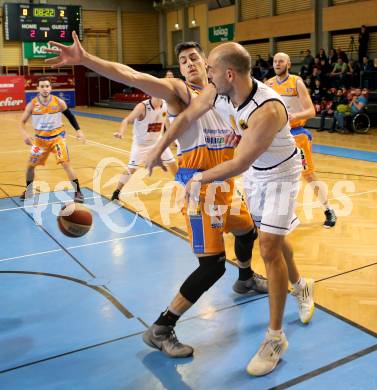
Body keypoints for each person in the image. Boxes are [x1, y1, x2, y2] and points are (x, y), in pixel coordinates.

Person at [45, 33, 268, 357]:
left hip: (224, 191)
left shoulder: (224, 97)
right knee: (213, 267)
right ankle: (162, 328)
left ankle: (245, 279)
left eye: (194, 58)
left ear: (208, 64)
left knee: (248, 230)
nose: (189, 64)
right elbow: (135, 76)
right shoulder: (181, 94)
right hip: (201, 196)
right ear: (179, 70)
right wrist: (87, 60)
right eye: (183, 61)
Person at [146, 42, 315, 376]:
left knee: (266, 246)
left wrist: (195, 178)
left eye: (206, 65)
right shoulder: (214, 91)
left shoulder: (267, 108)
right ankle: (294, 283)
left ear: (229, 73)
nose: (203, 70)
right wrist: (158, 149)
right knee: (270, 240)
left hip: (278, 174)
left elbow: (238, 163)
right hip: (248, 178)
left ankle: (275, 337)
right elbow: (185, 116)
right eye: (192, 62)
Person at [266, 52, 337, 228]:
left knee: (308, 174)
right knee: (274, 175)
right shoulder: (268, 84)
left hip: (297, 134)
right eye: (275, 61)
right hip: (276, 135)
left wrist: (294, 116)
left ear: (288, 63)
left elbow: (311, 111)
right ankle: (276, 215)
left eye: (281, 61)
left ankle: (328, 209)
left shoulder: (296, 82)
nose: (277, 63)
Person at [20, 77, 85, 203]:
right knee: (30, 167)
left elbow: (70, 117)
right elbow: (22, 122)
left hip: (57, 139)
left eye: (47, 86)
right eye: (42, 86)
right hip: (39, 141)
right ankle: (28, 190)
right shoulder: (32, 104)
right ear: (37, 88)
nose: (45, 89)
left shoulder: (58, 102)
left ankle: (78, 192)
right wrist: (24, 135)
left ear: (51, 88)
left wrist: (78, 130)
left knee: (65, 163)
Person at [111, 96, 177, 201]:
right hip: (141, 145)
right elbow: (126, 120)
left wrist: (172, 139)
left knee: (172, 163)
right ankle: (117, 191)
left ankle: (182, 186)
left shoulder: (165, 104)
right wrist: (121, 132)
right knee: (131, 169)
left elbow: (167, 122)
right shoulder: (142, 107)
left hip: (158, 143)